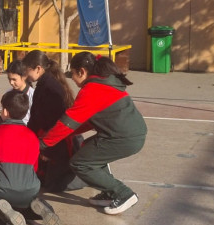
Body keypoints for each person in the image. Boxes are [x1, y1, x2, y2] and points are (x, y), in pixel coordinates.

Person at [38, 52, 147, 215]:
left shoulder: (92, 90)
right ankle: (110, 192)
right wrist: (68, 134)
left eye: (73, 74)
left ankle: (123, 193)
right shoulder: (104, 83)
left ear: (81, 71)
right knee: (87, 149)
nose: (73, 80)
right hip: (130, 134)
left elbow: (67, 123)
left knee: (79, 163)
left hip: (124, 138)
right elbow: (85, 121)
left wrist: (43, 143)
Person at [0, 91, 62, 225]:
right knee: (22, 203)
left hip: (1, 189)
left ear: (5, 111)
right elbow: (34, 168)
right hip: (29, 190)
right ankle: (43, 209)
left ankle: (4, 214)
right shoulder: (32, 137)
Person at [22, 50, 86, 193]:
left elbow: (55, 125)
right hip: (47, 140)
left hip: (57, 143)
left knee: (52, 185)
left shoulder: (50, 89)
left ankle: (83, 178)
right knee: (41, 179)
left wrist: (47, 150)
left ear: (38, 69)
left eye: (28, 70)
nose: (26, 74)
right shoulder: (44, 84)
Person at [0, 60, 34, 125]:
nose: (11, 82)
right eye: (9, 79)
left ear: (24, 77)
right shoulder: (8, 93)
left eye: (14, 79)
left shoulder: (33, 95)